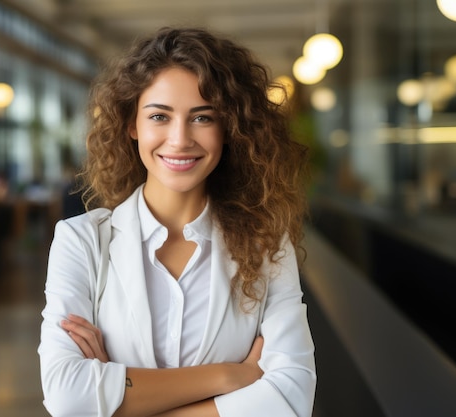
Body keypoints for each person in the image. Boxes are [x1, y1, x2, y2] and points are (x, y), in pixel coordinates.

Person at [38, 27, 316, 417]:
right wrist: (228, 377)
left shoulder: (266, 243)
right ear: (132, 125)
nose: (180, 139)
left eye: (202, 117)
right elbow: (68, 396)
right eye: (159, 116)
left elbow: (290, 398)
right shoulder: (81, 241)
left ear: (229, 129)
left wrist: (118, 400)